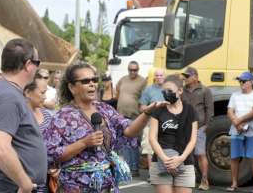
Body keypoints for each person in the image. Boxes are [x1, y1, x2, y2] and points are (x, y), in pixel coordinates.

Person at [44, 61, 156, 192]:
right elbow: (51, 154)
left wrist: (147, 112)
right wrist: (84, 143)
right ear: (72, 87)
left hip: (107, 185)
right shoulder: (63, 116)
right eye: (85, 81)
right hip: (76, 186)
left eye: (94, 80)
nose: (92, 84)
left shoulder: (104, 109)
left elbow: (130, 130)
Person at [0, 38, 47, 193]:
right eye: (37, 63)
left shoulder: (7, 92)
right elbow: (1, 149)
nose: (37, 68)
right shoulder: (8, 97)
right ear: (28, 65)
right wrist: (25, 184)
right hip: (7, 187)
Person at [149, 74, 199, 193]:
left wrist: (181, 158)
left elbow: (193, 140)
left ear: (180, 90)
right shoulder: (158, 110)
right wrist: (166, 160)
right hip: (161, 162)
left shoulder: (190, 110)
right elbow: (152, 138)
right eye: (164, 91)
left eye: (170, 91)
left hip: (185, 162)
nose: (166, 93)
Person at [226, 72, 253, 192]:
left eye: (244, 81)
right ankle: (234, 184)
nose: (241, 83)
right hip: (236, 130)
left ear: (251, 82)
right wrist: (237, 123)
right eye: (240, 81)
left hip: (251, 131)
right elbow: (230, 111)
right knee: (234, 157)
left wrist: (238, 121)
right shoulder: (235, 95)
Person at [181, 66, 213, 191]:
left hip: (199, 127)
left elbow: (209, 109)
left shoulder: (205, 90)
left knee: (200, 154)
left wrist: (206, 126)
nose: (185, 78)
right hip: (185, 127)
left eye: (187, 76)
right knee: (187, 154)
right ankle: (189, 180)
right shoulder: (182, 90)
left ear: (195, 77)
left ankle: (205, 181)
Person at [116, 61, 146, 176]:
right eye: (130, 70)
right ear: (128, 69)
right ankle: (127, 167)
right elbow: (117, 91)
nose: (133, 72)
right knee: (124, 143)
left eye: (135, 70)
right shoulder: (123, 79)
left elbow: (144, 98)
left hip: (135, 116)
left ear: (138, 70)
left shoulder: (143, 81)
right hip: (121, 115)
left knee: (134, 143)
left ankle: (134, 168)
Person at [139, 68, 166, 181]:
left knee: (164, 148)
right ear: (154, 77)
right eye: (157, 75)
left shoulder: (169, 89)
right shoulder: (148, 90)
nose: (159, 77)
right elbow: (142, 108)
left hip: (166, 124)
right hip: (150, 124)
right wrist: (153, 106)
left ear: (165, 76)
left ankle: (164, 172)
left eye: (161, 75)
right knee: (150, 150)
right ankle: (152, 174)